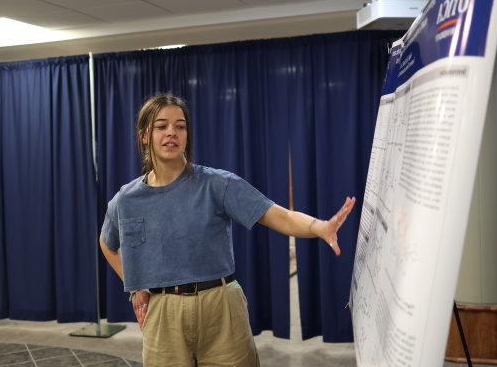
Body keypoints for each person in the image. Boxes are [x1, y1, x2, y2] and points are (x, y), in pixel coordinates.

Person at [99, 93, 356, 367]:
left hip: (221, 306)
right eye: (161, 126)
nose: (172, 133)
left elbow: (278, 215)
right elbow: (107, 243)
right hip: (163, 315)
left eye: (180, 126)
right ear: (144, 135)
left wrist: (320, 227)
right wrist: (134, 283)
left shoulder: (217, 184)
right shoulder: (127, 199)